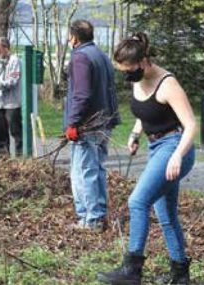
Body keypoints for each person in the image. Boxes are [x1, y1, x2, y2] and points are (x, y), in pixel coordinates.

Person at [96, 32, 196, 285]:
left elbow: (192, 125)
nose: (127, 76)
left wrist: (176, 156)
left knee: (137, 202)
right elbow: (146, 111)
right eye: (123, 71)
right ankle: (180, 275)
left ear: (143, 61)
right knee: (166, 215)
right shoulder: (138, 79)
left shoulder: (168, 84)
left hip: (175, 147)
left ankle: (132, 270)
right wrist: (135, 133)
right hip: (155, 148)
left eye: (129, 70)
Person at [64, 19, 120, 232]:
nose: (69, 40)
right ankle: (98, 214)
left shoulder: (80, 57)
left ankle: (91, 219)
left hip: (87, 126)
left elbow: (82, 94)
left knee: (82, 171)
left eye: (69, 36)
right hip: (104, 122)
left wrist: (73, 122)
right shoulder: (101, 55)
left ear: (74, 38)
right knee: (97, 169)